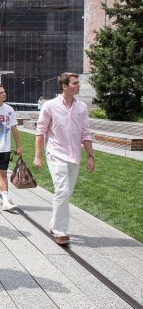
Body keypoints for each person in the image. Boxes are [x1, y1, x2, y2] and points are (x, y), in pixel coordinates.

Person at [34, 72, 95, 246]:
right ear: (65, 86)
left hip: (74, 155)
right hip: (55, 153)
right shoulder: (50, 106)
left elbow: (85, 132)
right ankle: (60, 231)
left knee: (66, 193)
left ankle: (54, 225)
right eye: (75, 83)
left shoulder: (81, 107)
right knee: (61, 190)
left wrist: (90, 155)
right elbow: (40, 132)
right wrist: (38, 156)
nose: (78, 85)